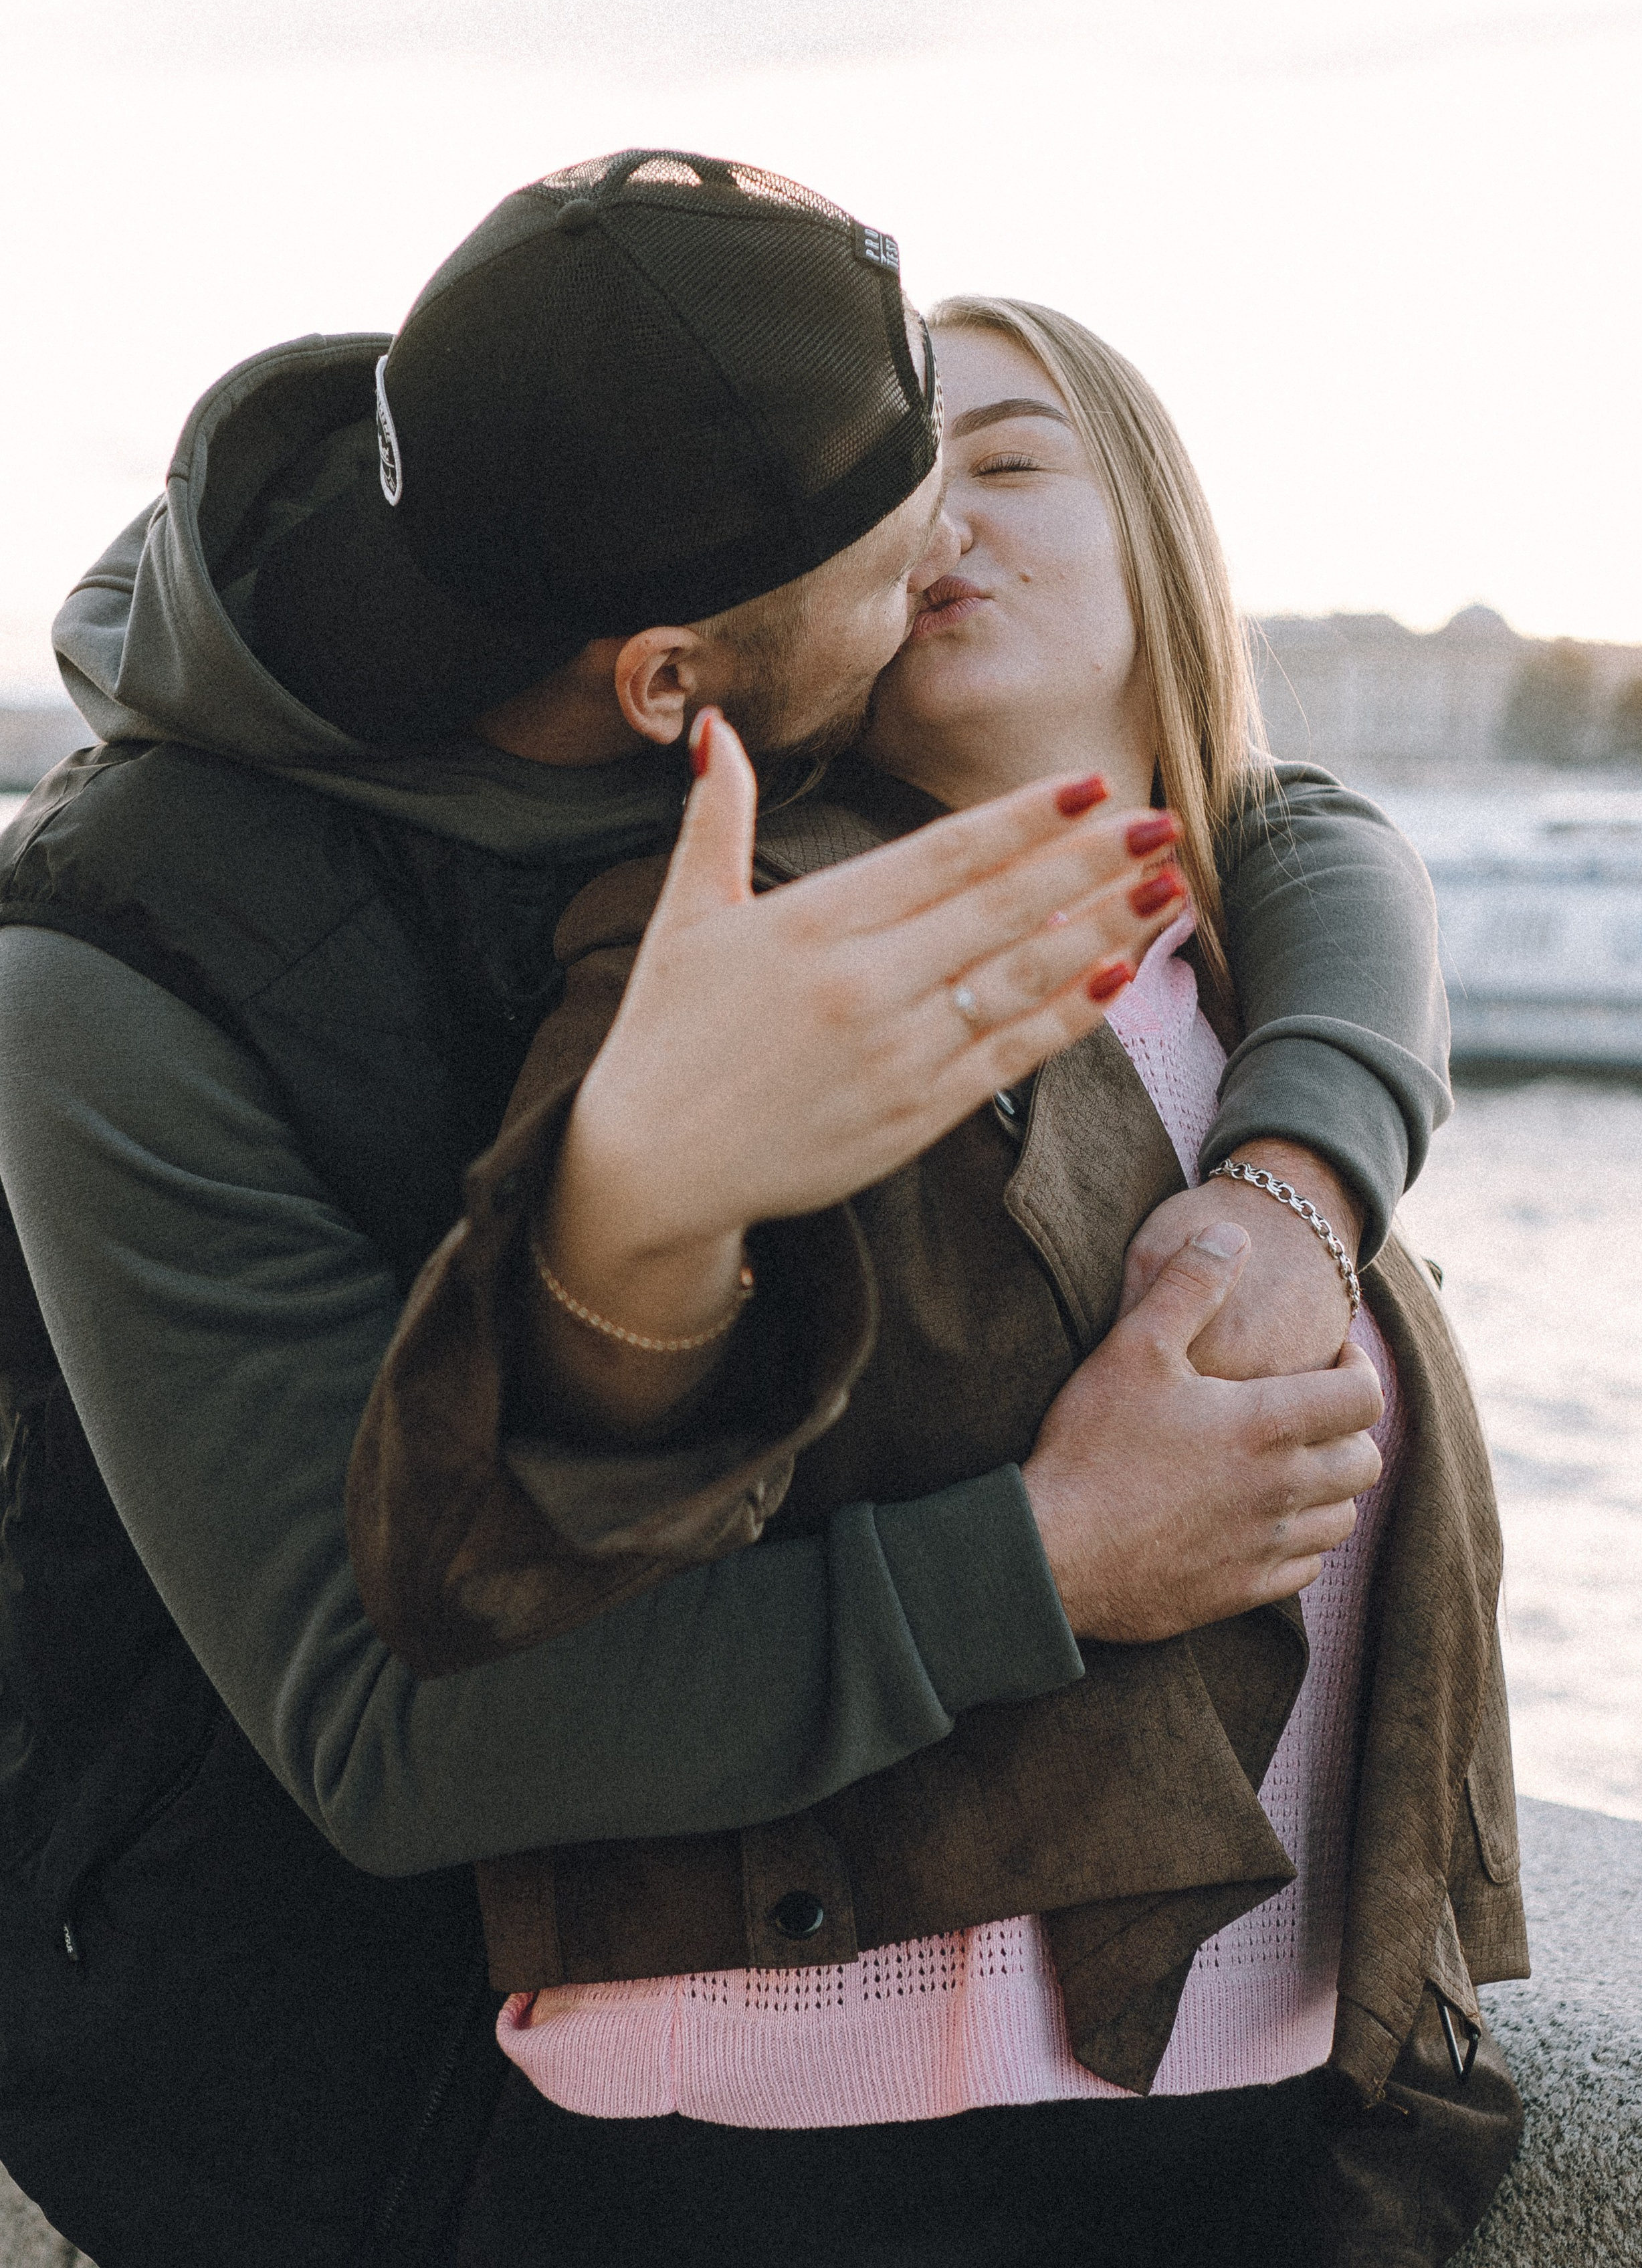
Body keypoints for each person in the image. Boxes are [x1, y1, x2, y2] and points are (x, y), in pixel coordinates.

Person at [0, 152, 1465, 2268]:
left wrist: (1292, 1166)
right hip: (330, 2075)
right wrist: (1061, 1554)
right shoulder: (114, 974)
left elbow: (1269, 810)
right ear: (675, 685)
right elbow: (384, 1733)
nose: (947, 543)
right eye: (908, 543)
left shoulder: (656, 487)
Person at [348, 292, 1527, 2263]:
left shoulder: (1252, 986)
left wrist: (1291, 1193)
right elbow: (550, 1466)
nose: (943, 523)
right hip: (769, 2156)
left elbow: (1304, 829)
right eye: (888, 499)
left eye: (1005, 460)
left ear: (1162, 535)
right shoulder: (729, 930)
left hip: (1244, 2129)